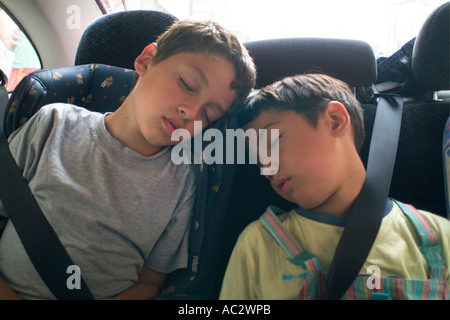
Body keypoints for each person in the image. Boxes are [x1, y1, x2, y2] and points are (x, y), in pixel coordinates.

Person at [0, 19, 256, 300]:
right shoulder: (53, 123)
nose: (191, 112)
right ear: (147, 60)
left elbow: (150, 281)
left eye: (208, 114)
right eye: (187, 84)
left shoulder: (184, 182)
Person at [219, 73, 450, 300]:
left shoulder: (438, 236)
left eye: (273, 141)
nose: (266, 168)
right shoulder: (258, 244)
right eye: (259, 160)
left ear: (335, 120)